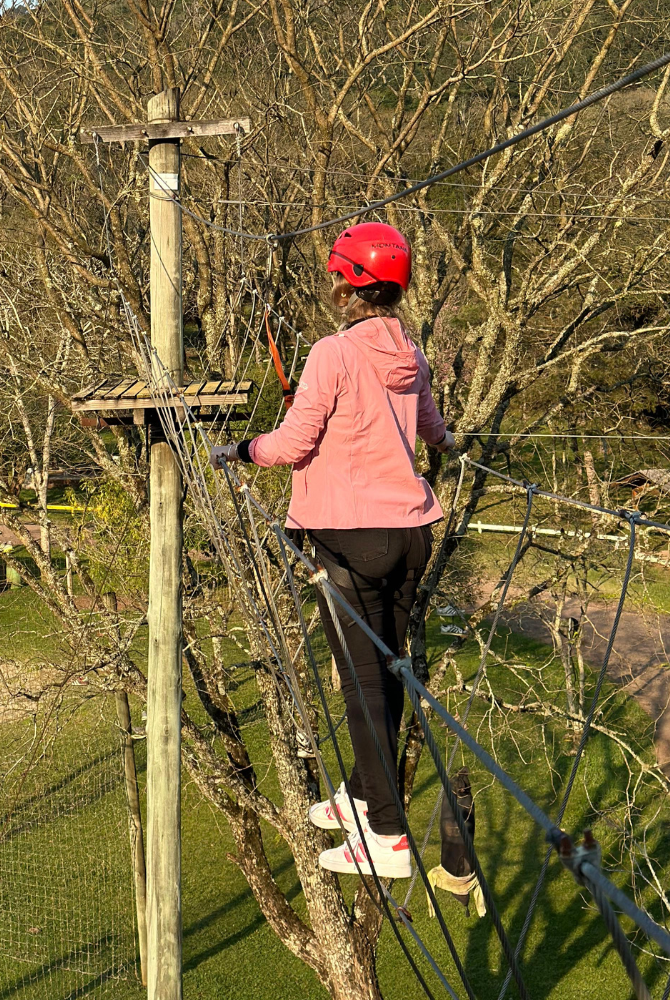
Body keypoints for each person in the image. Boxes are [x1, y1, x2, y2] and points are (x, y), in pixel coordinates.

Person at [209, 222, 454, 877]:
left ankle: (389, 836)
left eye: (335, 279)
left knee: (362, 685)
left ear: (349, 285)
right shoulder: (411, 352)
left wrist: (243, 450)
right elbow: (432, 428)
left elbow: (291, 445)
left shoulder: (332, 353)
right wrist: (450, 445)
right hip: (411, 535)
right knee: (388, 671)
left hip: (350, 541)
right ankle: (364, 794)